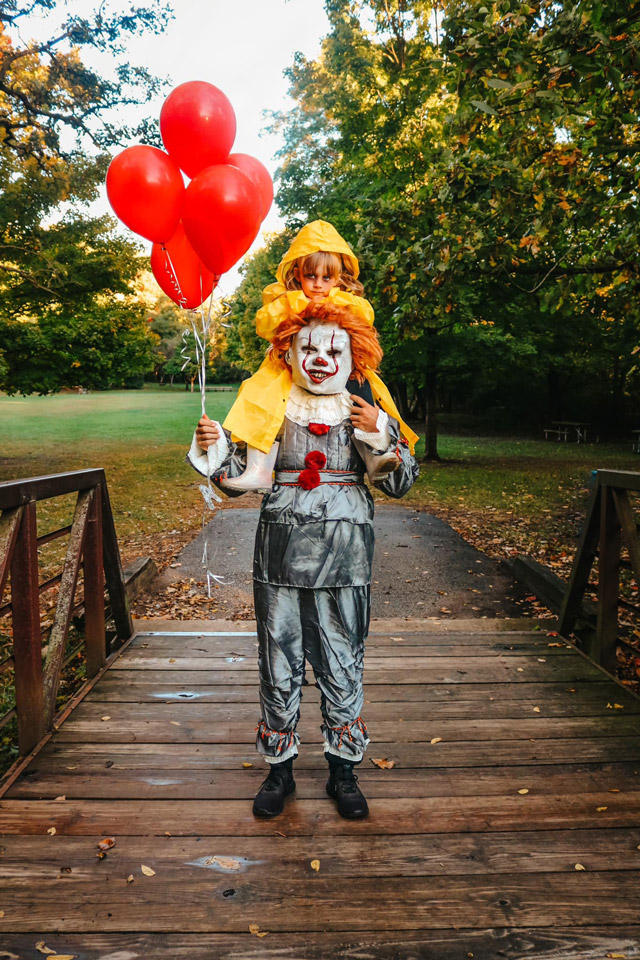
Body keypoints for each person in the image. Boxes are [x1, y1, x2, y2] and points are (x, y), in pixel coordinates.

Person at [188, 221, 418, 820]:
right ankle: (280, 769)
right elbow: (249, 473)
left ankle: (343, 768)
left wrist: (381, 435)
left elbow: (398, 478)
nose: (320, 361)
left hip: (346, 551)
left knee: (343, 654)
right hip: (282, 551)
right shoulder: (271, 390)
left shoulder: (364, 392)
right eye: (309, 350)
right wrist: (217, 451)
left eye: (332, 352)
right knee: (279, 653)